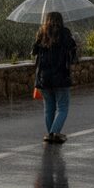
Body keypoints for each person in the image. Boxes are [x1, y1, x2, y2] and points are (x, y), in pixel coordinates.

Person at [32, 11, 77, 144]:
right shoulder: (65, 33)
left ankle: (51, 133)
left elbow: (34, 51)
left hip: (44, 78)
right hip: (61, 77)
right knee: (63, 107)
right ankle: (53, 133)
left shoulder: (41, 34)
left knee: (49, 107)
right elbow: (73, 52)